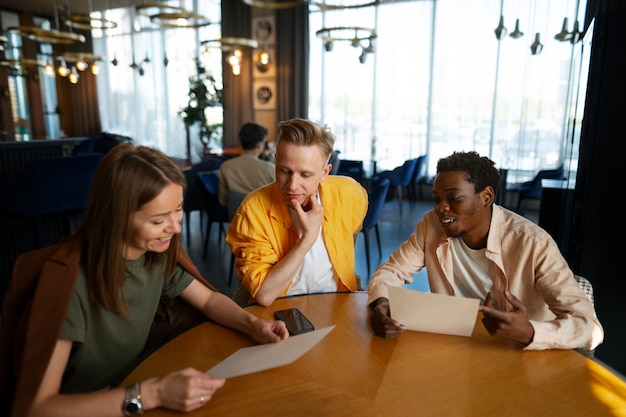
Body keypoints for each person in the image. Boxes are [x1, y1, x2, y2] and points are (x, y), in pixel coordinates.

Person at [0, 143, 289, 417]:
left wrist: (254, 325)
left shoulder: (156, 256)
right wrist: (153, 393)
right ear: (117, 217)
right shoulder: (71, 284)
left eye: (178, 210)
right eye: (158, 220)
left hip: (134, 384)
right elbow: (36, 409)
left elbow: (209, 299)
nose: (175, 228)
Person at [368, 151, 604, 351]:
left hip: (522, 354)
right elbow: (392, 270)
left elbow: (590, 327)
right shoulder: (431, 224)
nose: (441, 208)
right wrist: (380, 304)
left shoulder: (533, 242)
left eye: (454, 198)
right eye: (437, 198)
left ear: (487, 197)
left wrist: (531, 331)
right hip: (461, 347)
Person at [226, 118, 368, 307]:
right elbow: (265, 294)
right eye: (284, 171)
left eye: (306, 175)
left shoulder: (349, 193)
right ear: (275, 161)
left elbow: (352, 232)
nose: (292, 186)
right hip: (279, 309)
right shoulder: (252, 210)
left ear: (325, 172)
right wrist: (308, 239)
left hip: (337, 304)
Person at [218, 122, 275, 206]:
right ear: (259, 144)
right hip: (262, 217)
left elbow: (222, 201)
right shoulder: (270, 169)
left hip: (235, 216)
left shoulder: (225, 167)